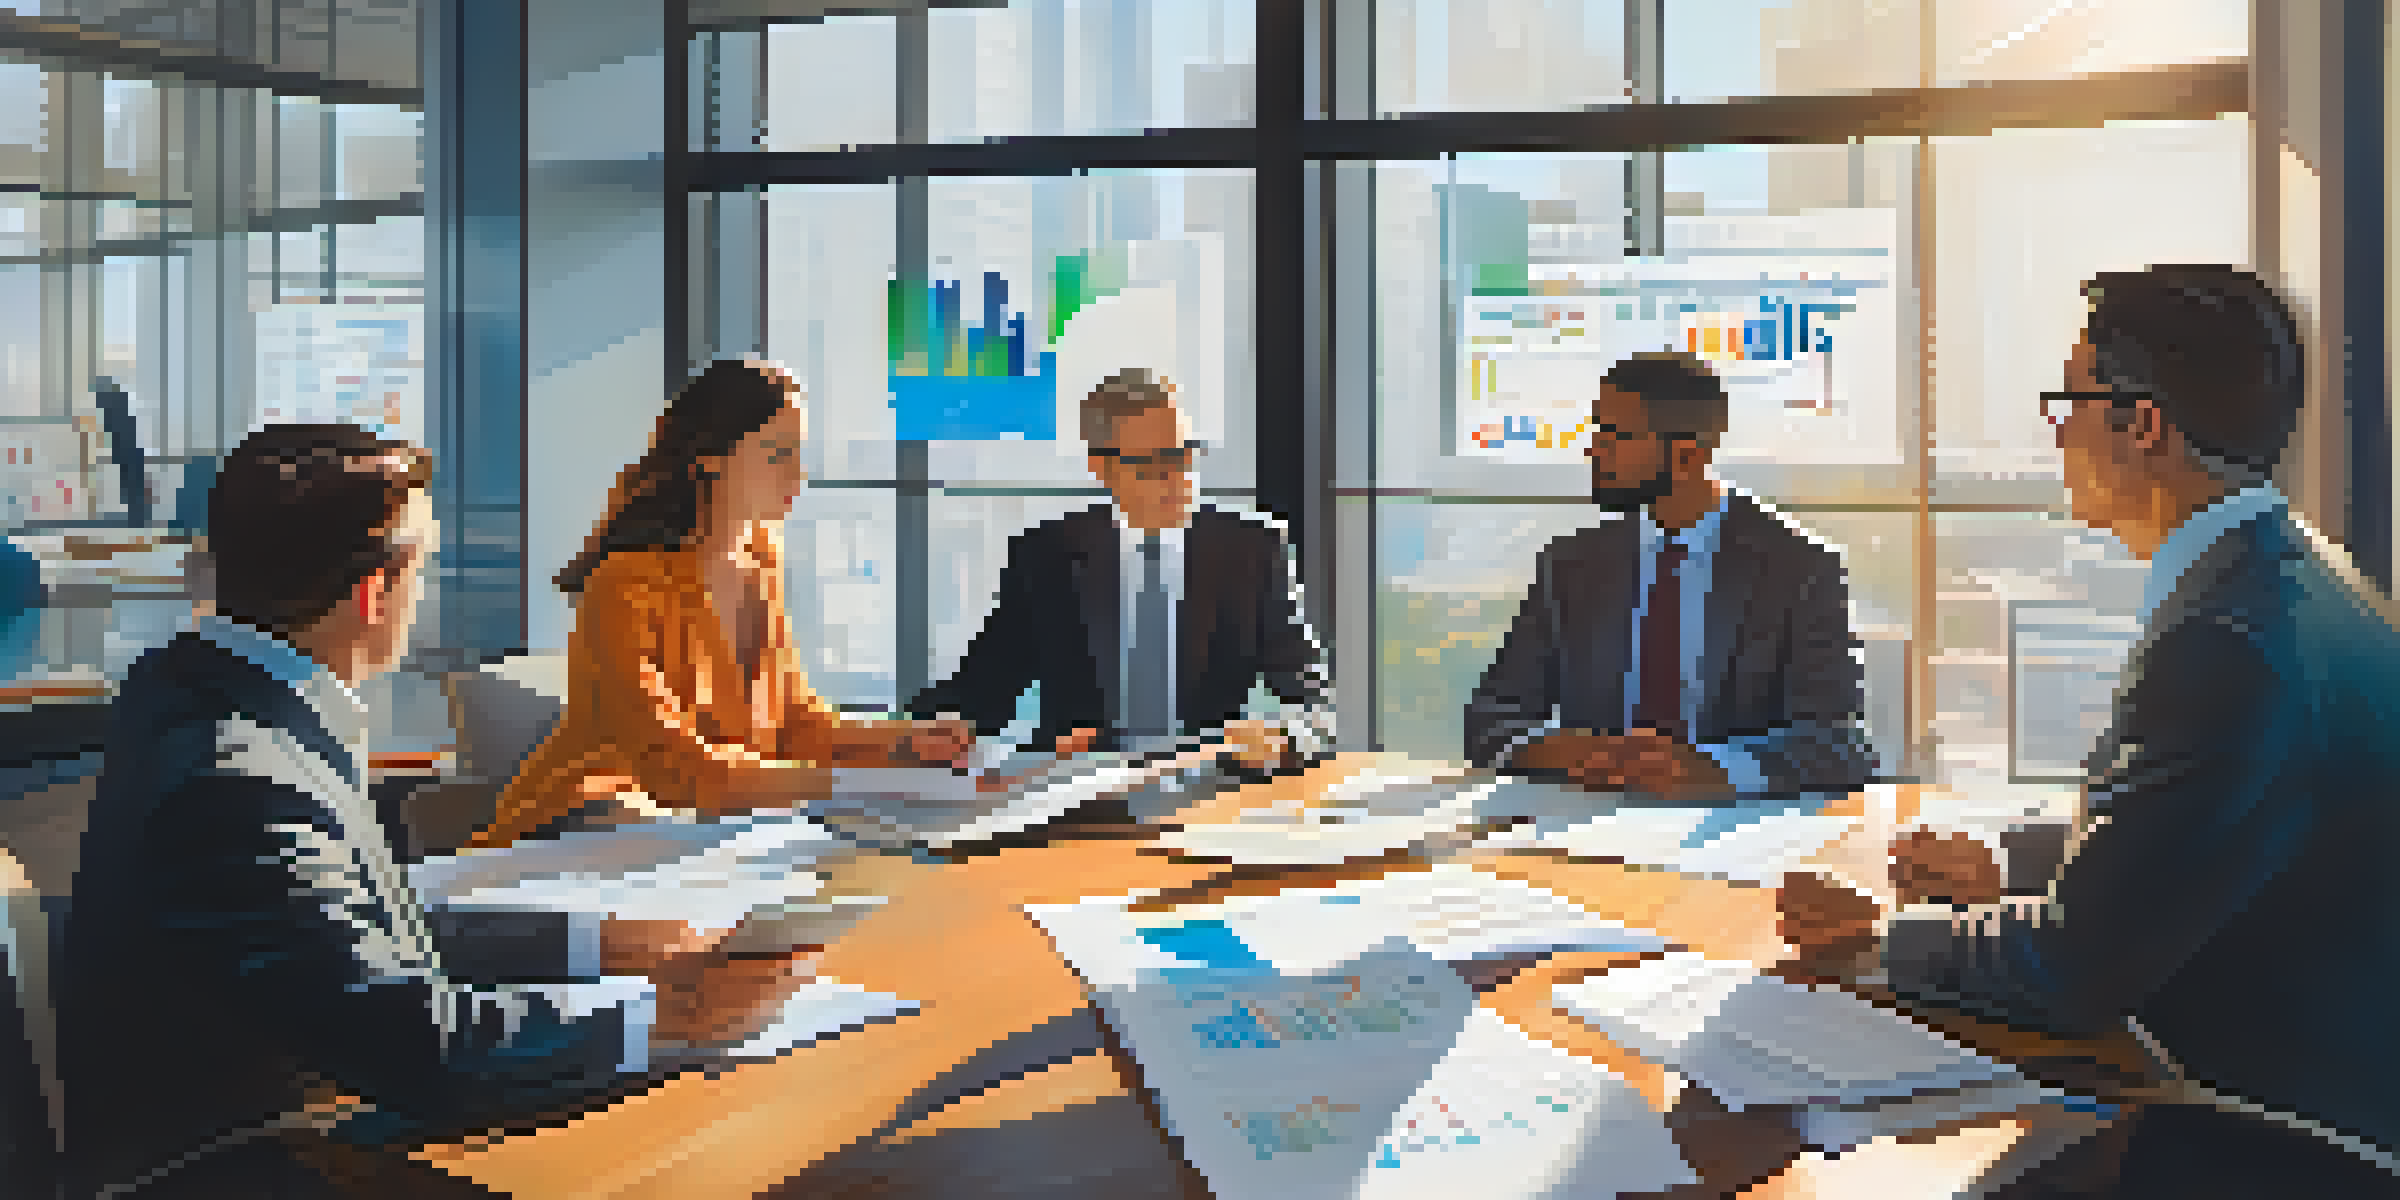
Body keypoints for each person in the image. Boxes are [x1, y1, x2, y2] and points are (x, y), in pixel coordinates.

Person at [57, 424, 800, 1199]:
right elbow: (413, 1045)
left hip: (309, 1127)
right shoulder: (239, 777)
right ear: (375, 592)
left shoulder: (204, 690)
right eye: (427, 565)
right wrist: (665, 1019)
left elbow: (351, 928)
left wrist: (595, 943)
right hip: (261, 1163)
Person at [1800, 265, 2400, 1196]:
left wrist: (1880, 936)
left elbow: (2067, 973)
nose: (2057, 432)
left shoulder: (2224, 637)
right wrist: (2004, 860)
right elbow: (2188, 825)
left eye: (2068, 401)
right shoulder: (2292, 571)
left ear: (2142, 424)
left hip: (2271, 1137)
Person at [468, 359, 972, 849]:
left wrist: (904, 743)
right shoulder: (623, 586)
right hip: (584, 828)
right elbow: (677, 768)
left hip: (706, 831)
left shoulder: (762, 561)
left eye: (800, 454)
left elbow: (795, 725)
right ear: (709, 456)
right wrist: (854, 783)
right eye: (777, 454)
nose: (797, 476)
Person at [1466, 351, 1876, 797]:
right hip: (1586, 816)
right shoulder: (1571, 565)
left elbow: (1840, 744)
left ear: (1685, 456)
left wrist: (1716, 770)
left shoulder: (1799, 568)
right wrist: (1561, 751)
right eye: (1596, 431)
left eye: (1615, 436)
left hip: (1731, 824)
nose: (1594, 450)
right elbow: (1490, 719)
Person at [904, 367, 1333, 778]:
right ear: (1101, 467)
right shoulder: (1048, 555)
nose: (1176, 480)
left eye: (1184, 456)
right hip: (1078, 792)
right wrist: (929, 728)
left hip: (1207, 790)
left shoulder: (1251, 550)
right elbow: (983, 688)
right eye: (1151, 465)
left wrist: (1284, 738)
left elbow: (1315, 703)